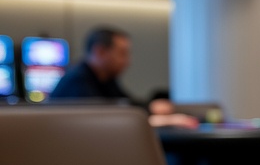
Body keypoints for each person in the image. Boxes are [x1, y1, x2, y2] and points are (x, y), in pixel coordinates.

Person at [51, 27, 196, 127]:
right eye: (122, 54)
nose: (127, 62)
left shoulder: (105, 79)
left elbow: (126, 103)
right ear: (100, 52)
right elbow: (106, 119)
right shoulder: (77, 80)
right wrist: (161, 119)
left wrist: (151, 108)